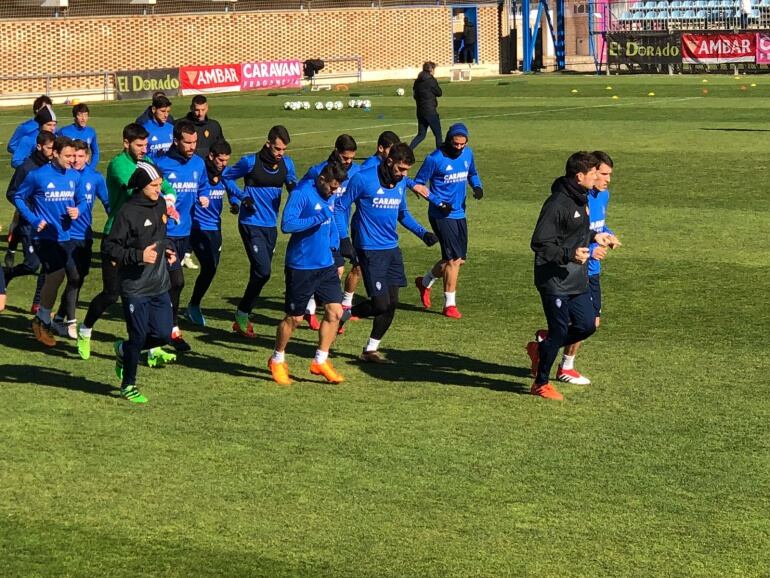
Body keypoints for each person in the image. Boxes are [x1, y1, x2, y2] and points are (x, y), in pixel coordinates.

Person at [76, 123, 176, 361]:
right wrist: (160, 197)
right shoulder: (119, 165)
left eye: (146, 145)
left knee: (151, 290)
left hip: (145, 239)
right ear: (126, 143)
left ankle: (151, 349)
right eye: (139, 145)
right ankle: (86, 329)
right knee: (112, 295)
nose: (144, 149)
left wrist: (168, 199)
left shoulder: (148, 165)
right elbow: (135, 190)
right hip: (119, 236)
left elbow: (166, 186)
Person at [335, 143, 438, 363]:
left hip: (391, 248)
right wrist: (344, 239)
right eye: (401, 169)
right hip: (369, 249)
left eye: (407, 170)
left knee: (392, 303)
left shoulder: (400, 183)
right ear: (389, 161)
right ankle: (344, 315)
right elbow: (340, 207)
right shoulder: (363, 179)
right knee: (380, 304)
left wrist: (423, 233)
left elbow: (403, 213)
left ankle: (370, 349)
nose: (404, 174)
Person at [526, 151, 614, 401]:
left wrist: (596, 237)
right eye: (594, 173)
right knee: (558, 331)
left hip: (576, 277)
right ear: (579, 176)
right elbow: (540, 243)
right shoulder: (556, 204)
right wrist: (569, 254)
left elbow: (577, 233)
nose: (598, 176)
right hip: (553, 279)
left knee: (587, 325)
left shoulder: (582, 198)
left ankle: (541, 348)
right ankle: (540, 383)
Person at [268, 162, 349, 386]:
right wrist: (316, 218)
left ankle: (320, 361)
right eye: (332, 187)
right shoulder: (301, 194)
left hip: (326, 265)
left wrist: (336, 251)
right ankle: (277, 359)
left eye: (337, 188)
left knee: (335, 312)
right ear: (321, 179)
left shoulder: (330, 195)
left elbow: (330, 222)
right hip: (302, 266)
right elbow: (287, 224)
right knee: (294, 319)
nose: (334, 192)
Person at [103, 162, 178, 404]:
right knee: (138, 336)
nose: (159, 189)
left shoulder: (159, 205)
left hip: (159, 284)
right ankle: (128, 385)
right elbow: (110, 247)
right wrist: (138, 256)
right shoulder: (127, 212)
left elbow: (160, 236)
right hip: (134, 287)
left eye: (159, 185)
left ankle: (124, 351)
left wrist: (169, 249)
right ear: (142, 186)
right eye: (155, 185)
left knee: (164, 334)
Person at [551, 151, 621, 385]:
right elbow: (568, 236)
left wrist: (608, 235)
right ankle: (562, 364)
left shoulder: (603, 196)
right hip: (574, 269)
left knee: (592, 323)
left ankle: (553, 349)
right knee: (581, 322)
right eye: (602, 174)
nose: (607, 179)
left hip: (593, 270)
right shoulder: (578, 199)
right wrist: (591, 250)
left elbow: (598, 225)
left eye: (609, 175)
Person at [222, 125, 297, 338]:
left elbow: (293, 184)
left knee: (260, 274)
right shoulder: (250, 162)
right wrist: (239, 196)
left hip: (270, 227)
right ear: (268, 144)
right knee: (263, 270)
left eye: (283, 149)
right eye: (277, 149)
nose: (281, 153)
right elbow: (226, 177)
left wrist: (295, 189)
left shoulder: (287, 165)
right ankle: (242, 313)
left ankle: (242, 315)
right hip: (250, 223)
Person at [13, 135, 85, 348]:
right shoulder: (38, 176)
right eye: (67, 155)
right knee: (56, 271)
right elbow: (18, 197)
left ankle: (52, 318)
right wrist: (34, 219)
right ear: (54, 154)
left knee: (72, 275)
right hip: (43, 237)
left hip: (66, 236)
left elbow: (81, 199)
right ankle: (42, 319)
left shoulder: (74, 177)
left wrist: (78, 209)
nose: (72, 160)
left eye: (74, 155)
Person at [413, 123, 483, 319]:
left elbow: (473, 174)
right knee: (453, 260)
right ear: (449, 140)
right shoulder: (434, 159)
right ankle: (449, 305)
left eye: (463, 144)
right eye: (456, 143)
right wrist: (437, 201)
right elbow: (417, 184)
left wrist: (477, 186)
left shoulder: (468, 154)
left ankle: (424, 282)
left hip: (460, 213)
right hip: (441, 215)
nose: (459, 147)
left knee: (457, 260)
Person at [153, 120, 210, 351]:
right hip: (162, 233)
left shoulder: (198, 163)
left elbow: (204, 185)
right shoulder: (161, 164)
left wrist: (204, 196)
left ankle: (170, 328)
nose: (192, 146)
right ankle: (161, 332)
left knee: (174, 284)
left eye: (194, 142)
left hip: (184, 231)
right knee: (169, 281)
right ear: (176, 141)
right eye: (187, 142)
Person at [298, 134, 360, 330]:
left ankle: (319, 309)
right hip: (317, 230)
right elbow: (301, 192)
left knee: (337, 269)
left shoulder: (355, 172)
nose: (348, 162)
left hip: (336, 230)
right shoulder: (317, 171)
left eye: (351, 158)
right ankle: (312, 309)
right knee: (324, 270)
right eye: (345, 157)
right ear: (336, 151)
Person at [52, 139, 109, 339]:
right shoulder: (63, 175)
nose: (75, 160)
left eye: (80, 156)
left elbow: (108, 202)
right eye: (73, 155)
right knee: (74, 278)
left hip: (85, 236)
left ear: (87, 157)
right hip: (65, 236)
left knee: (78, 280)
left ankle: (58, 318)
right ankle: (71, 323)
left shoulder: (95, 178)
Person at [185, 140, 236, 325]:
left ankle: (193, 305)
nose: (224, 163)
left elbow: (232, 190)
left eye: (226, 160)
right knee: (207, 265)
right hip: (197, 227)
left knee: (211, 269)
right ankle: (189, 306)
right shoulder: (200, 172)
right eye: (221, 160)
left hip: (216, 228)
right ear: (211, 156)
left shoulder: (225, 174)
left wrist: (236, 202)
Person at [3, 130, 55, 302]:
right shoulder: (26, 168)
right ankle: (6, 273)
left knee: (49, 263)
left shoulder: (51, 165)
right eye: (49, 148)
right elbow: (11, 193)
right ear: (39, 147)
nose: (52, 152)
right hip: (29, 224)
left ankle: (38, 302)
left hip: (48, 224)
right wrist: (29, 211)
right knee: (33, 264)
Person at [408, 62, 442, 152]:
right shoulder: (431, 80)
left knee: (421, 135)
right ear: (431, 70)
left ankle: (407, 151)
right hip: (430, 111)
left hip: (420, 110)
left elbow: (415, 95)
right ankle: (440, 155)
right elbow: (439, 93)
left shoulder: (417, 81)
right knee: (438, 134)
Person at [11, 104, 57, 169]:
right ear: (41, 125)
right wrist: (32, 169)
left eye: (54, 125)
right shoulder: (28, 139)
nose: (52, 128)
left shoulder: (56, 137)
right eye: (49, 125)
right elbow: (16, 161)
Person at [184, 95, 225, 159]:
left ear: (207, 108)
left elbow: (221, 148)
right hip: (189, 165)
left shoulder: (214, 125)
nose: (200, 114)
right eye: (197, 110)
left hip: (209, 166)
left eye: (203, 110)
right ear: (191, 108)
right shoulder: (181, 125)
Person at [142, 94, 174, 158]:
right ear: (153, 109)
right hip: (151, 166)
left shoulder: (172, 128)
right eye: (163, 111)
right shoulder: (144, 129)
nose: (166, 115)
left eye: (168, 112)